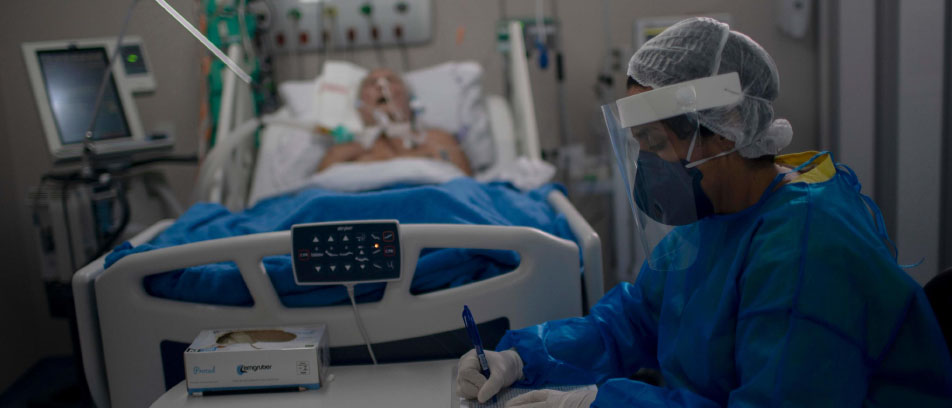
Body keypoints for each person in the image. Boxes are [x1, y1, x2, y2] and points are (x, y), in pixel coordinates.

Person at [455, 17, 952, 407]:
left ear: (727, 125)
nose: (646, 164)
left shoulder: (806, 249)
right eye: (639, 145)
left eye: (656, 143)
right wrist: (524, 358)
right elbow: (631, 321)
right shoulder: (718, 218)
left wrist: (603, 402)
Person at [316, 68, 472, 175]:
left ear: (410, 99)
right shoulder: (344, 149)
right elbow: (319, 192)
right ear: (360, 106)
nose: (381, 86)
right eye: (371, 83)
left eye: (391, 80)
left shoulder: (437, 140)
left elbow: (465, 188)